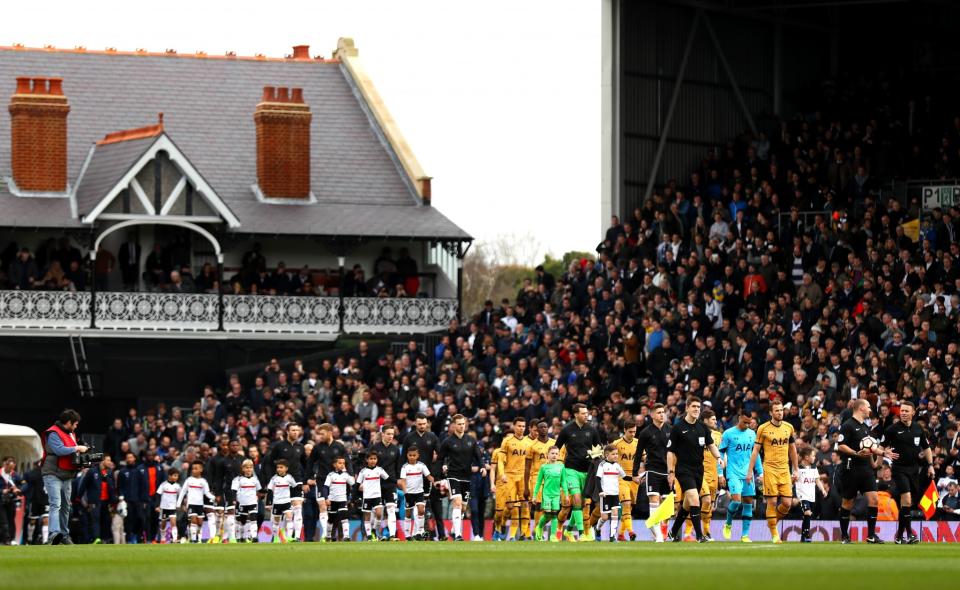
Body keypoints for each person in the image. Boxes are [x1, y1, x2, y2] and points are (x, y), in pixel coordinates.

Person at [836, 399, 898, 544]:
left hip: (866, 469)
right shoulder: (847, 425)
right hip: (851, 468)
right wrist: (856, 453)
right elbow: (840, 445)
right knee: (847, 503)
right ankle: (844, 536)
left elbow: (870, 448)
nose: (870, 410)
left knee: (874, 499)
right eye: (869, 407)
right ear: (861, 408)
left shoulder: (865, 427)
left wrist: (883, 454)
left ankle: (871, 535)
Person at [667, 396, 722, 543]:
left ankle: (672, 532)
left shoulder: (702, 428)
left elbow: (711, 446)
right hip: (683, 469)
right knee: (695, 499)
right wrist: (671, 472)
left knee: (687, 503)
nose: (697, 409)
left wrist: (719, 458)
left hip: (699, 469)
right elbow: (670, 452)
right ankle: (699, 535)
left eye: (698, 407)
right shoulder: (678, 428)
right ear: (687, 408)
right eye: (694, 407)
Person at [880, 400, 934, 544]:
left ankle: (899, 536)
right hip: (899, 469)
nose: (903, 413)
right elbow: (880, 447)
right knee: (907, 500)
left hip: (914, 470)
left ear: (913, 413)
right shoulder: (892, 429)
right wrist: (885, 453)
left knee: (907, 504)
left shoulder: (918, 429)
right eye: (901, 411)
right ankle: (910, 534)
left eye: (906, 411)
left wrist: (930, 465)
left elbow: (926, 448)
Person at [748, 399, 798, 544]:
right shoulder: (763, 428)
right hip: (769, 469)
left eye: (781, 410)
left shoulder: (789, 427)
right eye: (777, 410)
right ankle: (775, 535)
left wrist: (796, 468)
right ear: (771, 412)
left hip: (784, 469)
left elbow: (792, 449)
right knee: (772, 502)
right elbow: (756, 451)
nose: (780, 412)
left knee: (787, 504)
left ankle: (772, 522)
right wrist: (750, 471)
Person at [41, 409, 89, 545]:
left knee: (66, 506)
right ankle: (54, 534)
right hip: (52, 473)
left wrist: (80, 461)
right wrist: (77, 448)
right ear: (69, 422)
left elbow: (71, 453)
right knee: (56, 504)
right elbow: (59, 450)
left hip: (67, 474)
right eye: (75, 424)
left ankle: (63, 535)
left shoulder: (71, 433)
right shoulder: (53, 432)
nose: (76, 427)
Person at [555, 403, 602, 541]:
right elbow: (556, 447)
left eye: (587, 413)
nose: (586, 415)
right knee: (575, 498)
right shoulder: (567, 430)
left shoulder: (592, 430)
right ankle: (582, 533)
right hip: (571, 469)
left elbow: (599, 448)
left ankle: (568, 531)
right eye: (583, 413)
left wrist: (594, 453)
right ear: (576, 414)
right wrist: (556, 464)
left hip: (587, 471)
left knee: (581, 504)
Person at [437, 414, 486, 541]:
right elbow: (440, 458)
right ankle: (458, 535)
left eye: (463, 424)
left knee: (463, 507)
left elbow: (478, 456)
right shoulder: (448, 441)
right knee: (457, 503)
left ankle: (454, 528)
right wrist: (441, 470)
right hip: (453, 476)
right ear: (453, 425)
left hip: (467, 477)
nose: (461, 426)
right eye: (459, 424)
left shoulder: (471, 440)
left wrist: (482, 466)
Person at [402, 413, 445, 541]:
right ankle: (417, 533)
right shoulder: (409, 437)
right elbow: (402, 457)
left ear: (427, 424)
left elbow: (441, 454)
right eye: (419, 424)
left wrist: (438, 471)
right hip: (412, 478)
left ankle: (441, 534)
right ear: (415, 423)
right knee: (418, 507)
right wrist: (401, 477)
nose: (422, 426)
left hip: (429, 476)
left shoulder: (432, 437)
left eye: (424, 424)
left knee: (435, 507)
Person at [721, 411, 762, 542]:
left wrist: (760, 472)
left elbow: (755, 454)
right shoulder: (728, 434)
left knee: (748, 502)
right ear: (739, 418)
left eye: (749, 423)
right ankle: (728, 524)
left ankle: (744, 535)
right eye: (745, 422)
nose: (747, 425)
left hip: (748, 474)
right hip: (733, 473)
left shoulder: (752, 434)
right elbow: (720, 453)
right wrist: (720, 473)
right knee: (737, 501)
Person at [262, 424, 307, 542]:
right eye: (293, 430)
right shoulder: (279, 446)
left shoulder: (300, 447)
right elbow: (269, 463)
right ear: (287, 432)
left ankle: (295, 536)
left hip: (296, 481)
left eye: (297, 430)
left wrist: (306, 481)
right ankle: (276, 536)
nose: (295, 432)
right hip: (281, 483)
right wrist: (271, 480)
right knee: (278, 513)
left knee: (297, 508)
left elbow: (306, 464)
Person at [308, 423, 351, 542]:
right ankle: (324, 535)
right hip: (322, 481)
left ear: (330, 433)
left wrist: (351, 476)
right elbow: (310, 463)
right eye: (319, 434)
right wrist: (307, 479)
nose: (320, 436)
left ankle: (333, 533)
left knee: (336, 511)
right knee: (323, 506)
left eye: (322, 433)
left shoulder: (339, 447)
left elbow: (347, 462)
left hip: (338, 482)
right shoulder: (317, 447)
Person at [634, 403, 670, 542]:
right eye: (659, 412)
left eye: (663, 412)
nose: (662, 414)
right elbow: (638, 454)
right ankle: (658, 535)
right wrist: (635, 473)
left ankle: (660, 527)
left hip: (667, 472)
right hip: (653, 470)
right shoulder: (645, 433)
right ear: (652, 415)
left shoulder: (670, 430)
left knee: (667, 505)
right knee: (654, 500)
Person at [498, 417, 531, 540]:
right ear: (514, 426)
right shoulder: (507, 441)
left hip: (523, 476)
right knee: (511, 506)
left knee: (525, 504)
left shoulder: (529, 442)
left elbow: (531, 462)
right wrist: (502, 474)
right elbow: (501, 460)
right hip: (510, 476)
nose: (521, 428)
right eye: (519, 426)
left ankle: (522, 534)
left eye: (523, 426)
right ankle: (502, 522)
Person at [369, 425, 402, 541]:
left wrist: (399, 480)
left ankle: (392, 535)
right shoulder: (374, 448)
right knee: (377, 512)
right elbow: (368, 466)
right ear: (382, 434)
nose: (390, 436)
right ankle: (374, 532)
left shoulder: (395, 449)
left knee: (391, 508)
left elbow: (398, 467)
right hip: (376, 484)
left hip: (391, 484)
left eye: (392, 434)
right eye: (388, 434)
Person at [524, 420, 556, 540]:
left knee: (551, 508)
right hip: (536, 477)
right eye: (541, 427)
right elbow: (527, 467)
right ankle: (538, 531)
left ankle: (539, 528)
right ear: (537, 430)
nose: (544, 429)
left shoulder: (554, 444)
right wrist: (526, 486)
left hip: (552, 479)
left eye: (546, 427)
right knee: (538, 505)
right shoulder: (532, 446)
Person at [696, 410, 724, 540]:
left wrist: (720, 474)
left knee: (710, 505)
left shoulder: (719, 435)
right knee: (705, 500)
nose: (715, 421)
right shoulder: (697, 432)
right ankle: (696, 532)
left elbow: (721, 456)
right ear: (705, 420)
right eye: (713, 419)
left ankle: (706, 533)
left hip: (714, 474)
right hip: (700, 473)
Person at [593, 445, 629, 542]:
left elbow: (625, 477)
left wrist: (634, 478)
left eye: (617, 454)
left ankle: (612, 536)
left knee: (615, 514)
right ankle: (597, 529)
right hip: (605, 494)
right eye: (613, 454)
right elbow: (597, 478)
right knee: (604, 517)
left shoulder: (617, 466)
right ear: (606, 455)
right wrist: (600, 491)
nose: (616, 456)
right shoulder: (602, 465)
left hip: (615, 494)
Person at [611, 419, 639, 540]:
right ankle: (631, 531)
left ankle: (621, 534)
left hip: (634, 478)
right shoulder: (616, 444)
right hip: (621, 478)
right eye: (630, 432)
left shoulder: (638, 443)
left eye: (634, 432)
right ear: (624, 430)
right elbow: (610, 460)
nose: (633, 434)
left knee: (630, 506)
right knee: (626, 503)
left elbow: (644, 458)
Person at [398, 446, 432, 541]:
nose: (412, 457)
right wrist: (405, 492)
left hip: (419, 492)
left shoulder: (421, 465)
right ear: (407, 456)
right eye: (410, 455)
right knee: (408, 514)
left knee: (421, 511)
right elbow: (403, 481)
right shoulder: (405, 467)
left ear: (417, 456)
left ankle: (419, 532)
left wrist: (435, 482)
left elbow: (428, 476)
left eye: (414, 455)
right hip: (409, 493)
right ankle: (408, 535)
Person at [176, 461, 214, 543]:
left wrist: (213, 498)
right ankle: (193, 540)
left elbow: (206, 492)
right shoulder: (188, 480)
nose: (193, 470)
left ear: (201, 470)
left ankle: (199, 539)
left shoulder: (203, 481)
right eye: (192, 469)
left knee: (200, 523)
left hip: (200, 505)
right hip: (191, 504)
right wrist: (178, 503)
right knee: (193, 520)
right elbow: (183, 492)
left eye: (196, 468)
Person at [356, 452, 389, 542]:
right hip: (367, 497)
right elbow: (357, 484)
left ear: (377, 460)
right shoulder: (363, 471)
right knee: (367, 517)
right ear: (367, 460)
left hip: (377, 496)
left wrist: (395, 482)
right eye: (371, 459)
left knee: (379, 514)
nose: (373, 460)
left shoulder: (380, 470)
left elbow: (388, 479)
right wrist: (354, 497)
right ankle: (369, 536)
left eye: (374, 459)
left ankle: (374, 530)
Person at [533, 446, 564, 542]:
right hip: (546, 494)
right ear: (548, 455)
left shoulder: (561, 466)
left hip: (556, 495)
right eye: (552, 453)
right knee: (547, 514)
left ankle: (553, 536)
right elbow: (538, 482)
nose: (554, 455)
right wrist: (534, 495)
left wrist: (566, 494)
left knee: (554, 515)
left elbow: (563, 482)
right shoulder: (543, 467)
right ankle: (539, 527)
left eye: (556, 453)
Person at [322, 456, 355, 542]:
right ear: (334, 465)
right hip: (332, 500)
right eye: (340, 463)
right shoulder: (331, 475)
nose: (342, 465)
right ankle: (328, 536)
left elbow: (353, 483)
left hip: (342, 500)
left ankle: (346, 536)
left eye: (343, 463)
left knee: (344, 517)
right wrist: (326, 498)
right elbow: (325, 487)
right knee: (331, 519)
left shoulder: (346, 475)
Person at [217, 439, 244, 543]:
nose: (235, 447)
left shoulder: (243, 460)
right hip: (228, 490)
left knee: (242, 514)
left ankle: (242, 536)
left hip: (243, 490)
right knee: (231, 512)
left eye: (237, 445)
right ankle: (232, 537)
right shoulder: (223, 461)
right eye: (232, 445)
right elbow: (219, 478)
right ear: (228, 447)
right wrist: (218, 493)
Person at [230, 459, 262, 543]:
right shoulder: (238, 479)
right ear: (243, 469)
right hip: (242, 502)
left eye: (251, 467)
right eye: (247, 467)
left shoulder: (255, 479)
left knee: (253, 519)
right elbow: (234, 490)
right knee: (242, 521)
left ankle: (254, 537)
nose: (249, 469)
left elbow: (259, 490)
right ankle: (241, 537)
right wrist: (234, 500)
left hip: (252, 502)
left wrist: (261, 495)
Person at [266, 459, 297, 544]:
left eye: (281, 467)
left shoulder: (289, 477)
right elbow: (269, 490)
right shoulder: (274, 478)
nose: (279, 469)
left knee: (289, 517)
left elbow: (294, 487)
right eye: (278, 467)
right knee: (276, 522)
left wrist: (293, 499)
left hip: (286, 502)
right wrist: (268, 503)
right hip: (277, 503)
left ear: (286, 468)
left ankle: (289, 537)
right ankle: (276, 538)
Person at [795, 448, 819, 543]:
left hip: (811, 496)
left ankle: (803, 536)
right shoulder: (798, 468)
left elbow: (817, 480)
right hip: (802, 496)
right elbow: (793, 480)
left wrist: (822, 490)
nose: (814, 457)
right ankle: (807, 535)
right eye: (813, 456)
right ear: (806, 457)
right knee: (807, 513)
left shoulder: (814, 467)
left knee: (807, 515)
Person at [155, 469, 182, 543]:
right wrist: (157, 506)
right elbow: (158, 495)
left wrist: (181, 504)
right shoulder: (163, 485)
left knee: (173, 523)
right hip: (164, 507)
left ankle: (175, 539)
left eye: (177, 476)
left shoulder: (178, 486)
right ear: (169, 476)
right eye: (175, 475)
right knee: (163, 524)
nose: (176, 477)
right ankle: (163, 538)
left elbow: (181, 496)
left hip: (172, 507)